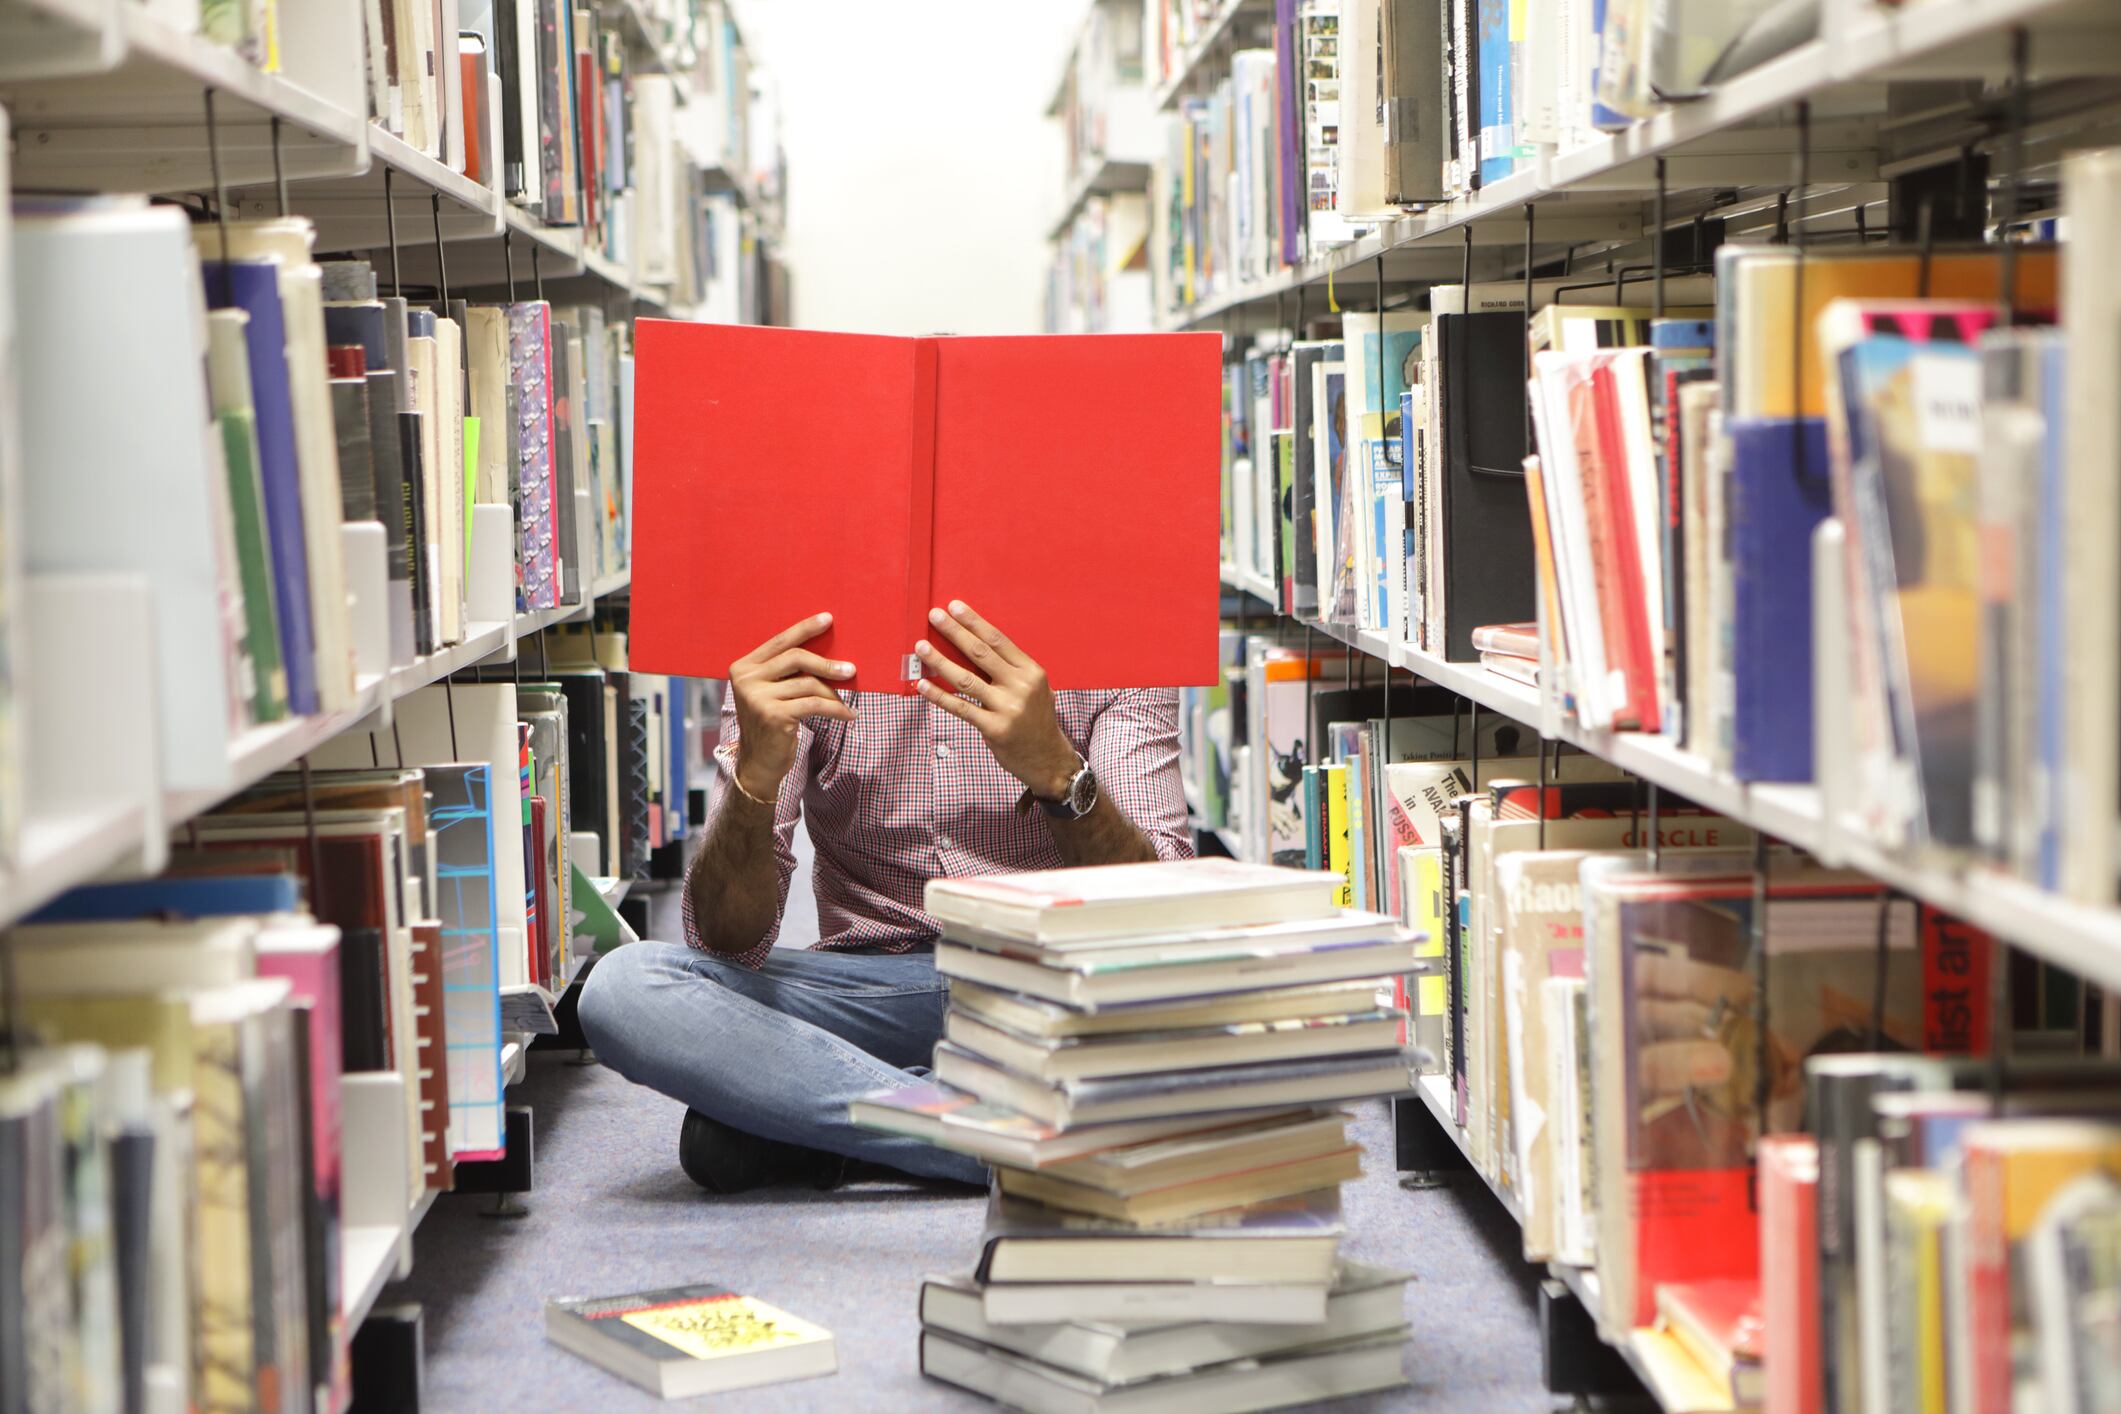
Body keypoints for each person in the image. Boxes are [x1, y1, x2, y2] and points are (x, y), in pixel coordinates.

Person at [576, 598, 1192, 1192]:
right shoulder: (804, 636)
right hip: (873, 994)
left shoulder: (1117, 623)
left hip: (1056, 990)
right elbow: (726, 938)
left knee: (1215, 1026)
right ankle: (1001, 1138)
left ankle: (812, 1115)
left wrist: (1060, 773)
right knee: (623, 989)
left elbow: (1159, 926)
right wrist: (754, 779)